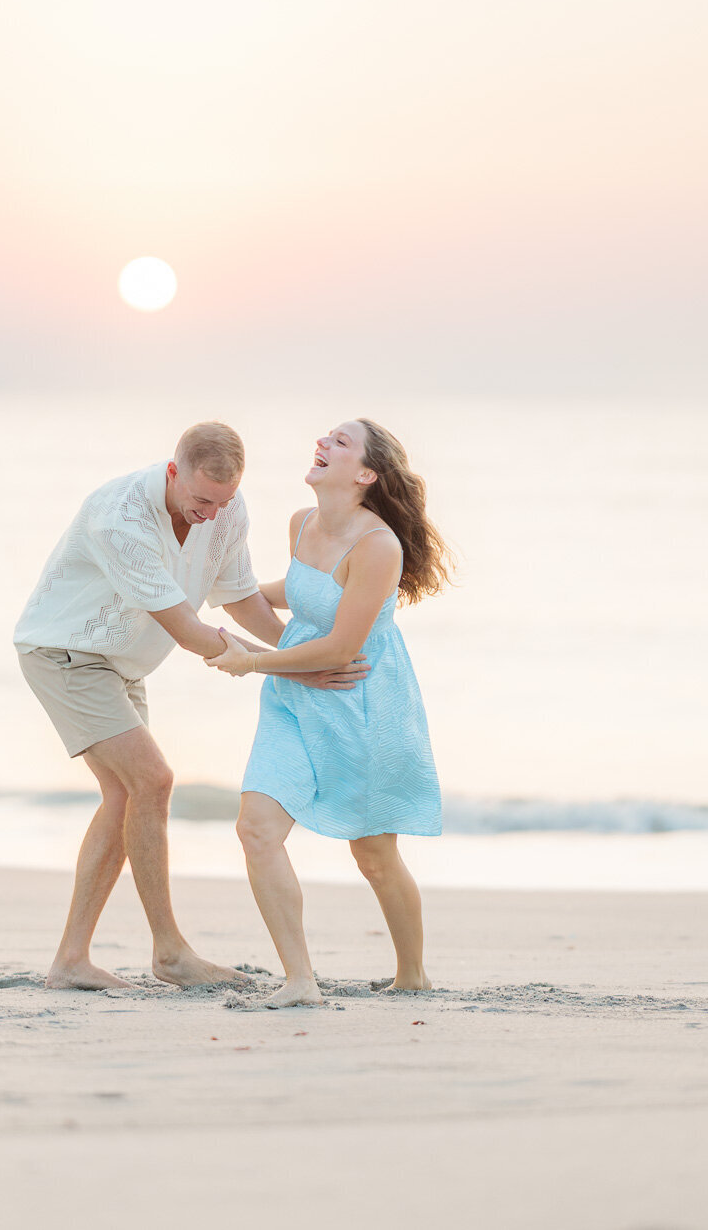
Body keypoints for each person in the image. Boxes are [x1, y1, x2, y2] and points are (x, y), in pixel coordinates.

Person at [14, 421, 369, 991]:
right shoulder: (120, 517)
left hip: (121, 663)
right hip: (66, 653)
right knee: (152, 781)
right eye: (202, 499)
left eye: (223, 500)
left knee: (125, 795)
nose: (211, 513)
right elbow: (187, 630)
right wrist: (299, 669)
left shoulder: (227, 509)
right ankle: (171, 952)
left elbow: (241, 599)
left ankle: (71, 961)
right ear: (174, 471)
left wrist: (304, 651)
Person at [207, 418, 453, 1007]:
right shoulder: (303, 523)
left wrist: (252, 663)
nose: (322, 442)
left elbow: (343, 646)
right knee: (256, 829)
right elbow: (305, 590)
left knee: (373, 853)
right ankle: (300, 981)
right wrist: (226, 583)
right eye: (325, 437)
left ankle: (412, 974)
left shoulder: (378, 547)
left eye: (340, 442)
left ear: (366, 474)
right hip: (294, 700)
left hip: (361, 702)